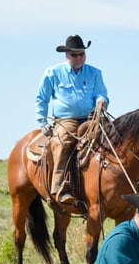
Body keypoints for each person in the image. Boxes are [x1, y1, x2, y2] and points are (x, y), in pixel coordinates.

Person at [35, 34, 109, 204]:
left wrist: (101, 100)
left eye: (81, 54)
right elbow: (42, 98)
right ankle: (60, 187)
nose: (79, 58)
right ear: (67, 55)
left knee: (114, 136)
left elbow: (101, 92)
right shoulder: (52, 73)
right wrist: (42, 122)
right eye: (74, 55)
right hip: (65, 120)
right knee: (62, 143)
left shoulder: (95, 73)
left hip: (91, 117)